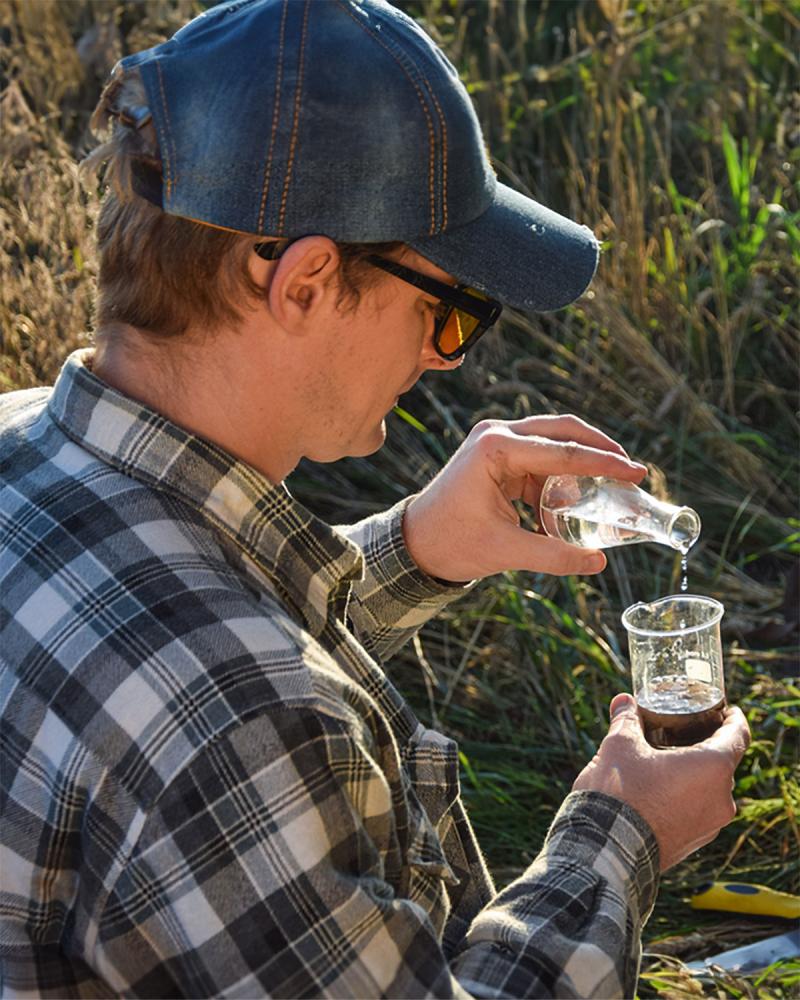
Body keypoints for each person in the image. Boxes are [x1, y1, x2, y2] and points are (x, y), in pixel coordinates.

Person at [0, 1, 750, 997]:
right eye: (448, 310)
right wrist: (619, 835)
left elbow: (182, 619)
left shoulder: (26, 447)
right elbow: (224, 690)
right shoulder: (238, 733)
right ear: (305, 281)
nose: (443, 357)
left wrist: (415, 549)